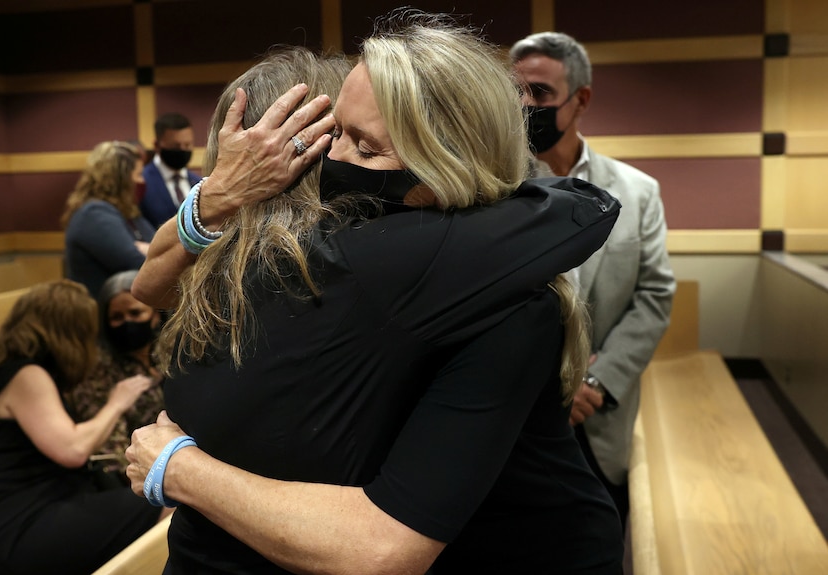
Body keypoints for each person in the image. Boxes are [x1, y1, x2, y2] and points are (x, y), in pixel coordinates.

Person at [128, 15, 623, 575]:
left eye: (366, 148)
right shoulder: (330, 255)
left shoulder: (490, 292)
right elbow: (154, 286)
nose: (332, 164)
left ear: (446, 167)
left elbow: (382, 546)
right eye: (335, 133)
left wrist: (176, 466)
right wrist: (217, 196)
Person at [511, 31, 676, 528]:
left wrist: (596, 381)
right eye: (515, 92)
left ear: (580, 99)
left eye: (539, 93)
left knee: (601, 535)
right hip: (515, 418)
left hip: (600, 416)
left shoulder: (638, 191)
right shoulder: (496, 189)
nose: (524, 105)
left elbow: (654, 296)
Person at [0, 280, 168, 575]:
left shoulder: (4, 375)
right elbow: (73, 449)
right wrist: (117, 402)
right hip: (12, 522)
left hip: (0, 518)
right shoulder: (27, 374)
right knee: (170, 503)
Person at [67, 270, 165, 488]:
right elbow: (111, 450)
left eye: (135, 313)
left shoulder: (170, 352)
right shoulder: (96, 368)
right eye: (117, 317)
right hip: (140, 477)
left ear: (154, 315)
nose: (127, 322)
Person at [62, 140, 156, 299]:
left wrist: (146, 249)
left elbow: (159, 247)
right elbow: (137, 264)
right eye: (138, 174)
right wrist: (147, 251)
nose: (142, 181)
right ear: (120, 179)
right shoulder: (93, 214)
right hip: (104, 316)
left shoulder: (128, 212)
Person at [139, 112, 202, 228]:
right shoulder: (142, 181)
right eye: (176, 146)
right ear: (157, 145)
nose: (183, 150)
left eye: (187, 145)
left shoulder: (199, 183)